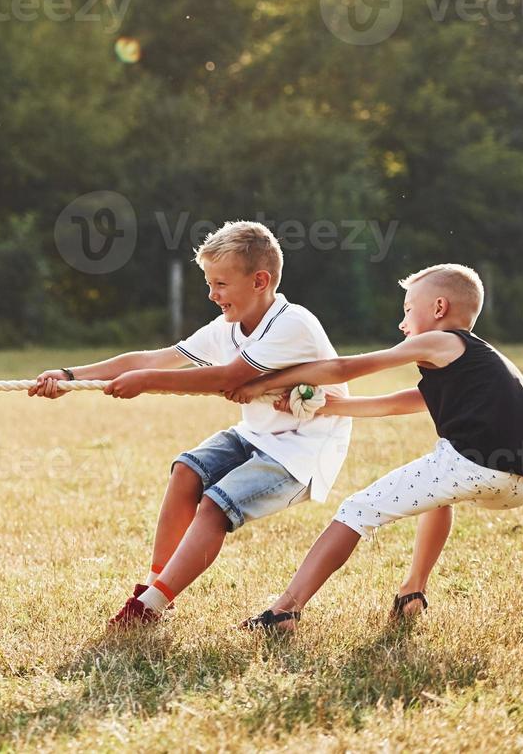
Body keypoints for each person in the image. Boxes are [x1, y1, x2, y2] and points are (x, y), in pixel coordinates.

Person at [30, 221, 352, 628]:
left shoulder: (293, 324)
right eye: (209, 283)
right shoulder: (228, 327)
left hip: (301, 451)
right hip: (255, 435)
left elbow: (226, 378)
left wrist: (147, 383)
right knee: (186, 471)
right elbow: (152, 360)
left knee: (215, 503)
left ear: (260, 281)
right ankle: (154, 587)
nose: (211, 294)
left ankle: (149, 607)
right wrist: (71, 375)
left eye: (220, 284)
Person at [227, 264, 523, 631]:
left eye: (409, 310)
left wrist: (266, 383)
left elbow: (349, 366)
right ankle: (413, 592)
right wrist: (325, 407)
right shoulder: (476, 362)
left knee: (356, 509)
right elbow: (395, 403)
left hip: (476, 465)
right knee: (438, 489)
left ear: (439, 308)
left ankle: (284, 611)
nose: (402, 323)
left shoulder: (442, 341)